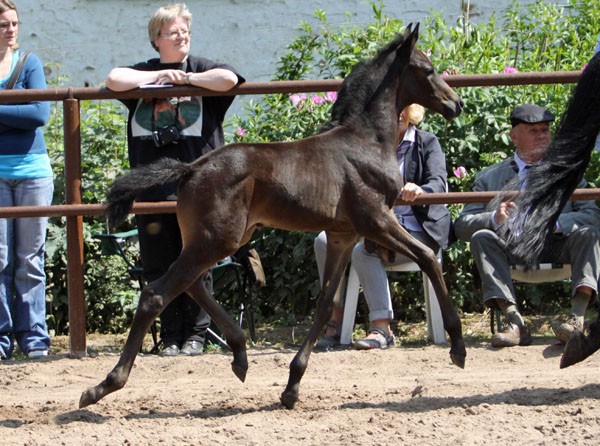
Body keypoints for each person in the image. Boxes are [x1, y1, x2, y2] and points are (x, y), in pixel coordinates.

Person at [106, 3, 244, 357]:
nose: (182, 37)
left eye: (185, 31)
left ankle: (197, 333)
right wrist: (155, 80)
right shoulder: (144, 72)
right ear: (157, 39)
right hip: (152, 184)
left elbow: (229, 79)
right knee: (158, 261)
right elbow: (113, 79)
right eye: (173, 32)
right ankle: (169, 335)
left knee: (197, 258)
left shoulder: (201, 68)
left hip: (200, 188)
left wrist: (187, 80)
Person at [455, 104, 600, 348]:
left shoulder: (568, 173)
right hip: (512, 246)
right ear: (514, 137)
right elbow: (462, 225)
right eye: (533, 131)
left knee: (589, 234)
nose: (542, 136)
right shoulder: (490, 177)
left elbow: (592, 214)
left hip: (556, 244)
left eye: (545, 130)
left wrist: (557, 224)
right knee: (482, 236)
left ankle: (576, 317)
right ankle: (515, 322)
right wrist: (493, 219)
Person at [314, 104, 453, 350]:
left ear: (412, 111)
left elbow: (438, 183)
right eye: (392, 106)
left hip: (416, 228)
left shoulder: (427, 142)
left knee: (363, 250)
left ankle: (381, 328)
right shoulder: (370, 146)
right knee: (324, 241)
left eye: (404, 106)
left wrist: (420, 190)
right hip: (373, 225)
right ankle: (334, 318)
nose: (398, 112)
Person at [0, 0, 53, 360]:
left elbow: (38, 112)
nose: (11, 29)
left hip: (33, 172)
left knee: (30, 258)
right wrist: (11, 111)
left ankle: (34, 339)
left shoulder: (29, 62)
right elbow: (23, 112)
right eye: (4, 24)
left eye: (15, 23)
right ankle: (2, 339)